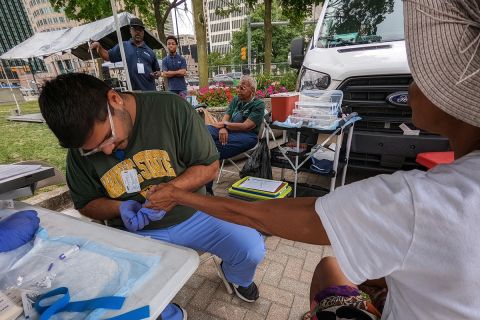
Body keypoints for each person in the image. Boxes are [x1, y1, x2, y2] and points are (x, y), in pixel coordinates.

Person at [145, 1, 480, 319]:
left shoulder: (415, 202)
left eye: (422, 76)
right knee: (345, 267)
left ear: (453, 93)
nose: (408, 88)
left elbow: (255, 215)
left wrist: (177, 194)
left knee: (328, 269)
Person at [38, 74, 266, 320]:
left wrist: (174, 192)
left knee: (251, 248)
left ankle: (236, 276)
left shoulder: (170, 108)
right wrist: (120, 208)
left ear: (114, 99)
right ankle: (166, 311)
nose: (106, 150)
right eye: (92, 150)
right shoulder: (78, 151)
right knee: (124, 289)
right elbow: (86, 203)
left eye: (108, 138)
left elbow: (209, 166)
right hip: (137, 234)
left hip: (196, 214)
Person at [90, 18, 161, 91]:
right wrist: (99, 47)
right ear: (130, 30)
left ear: (143, 32)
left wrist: (157, 74)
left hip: (150, 91)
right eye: (135, 29)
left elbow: (157, 70)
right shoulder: (123, 46)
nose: (138, 32)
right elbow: (108, 56)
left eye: (140, 30)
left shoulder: (150, 51)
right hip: (133, 92)